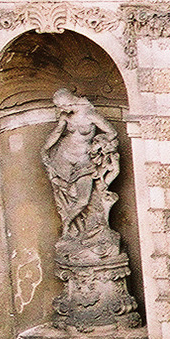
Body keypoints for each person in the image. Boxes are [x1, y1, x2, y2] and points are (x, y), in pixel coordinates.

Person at [42, 90, 122, 248]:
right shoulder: (66, 116)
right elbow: (57, 132)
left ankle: (67, 225)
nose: (61, 110)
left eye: (62, 106)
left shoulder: (91, 115)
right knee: (67, 197)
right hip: (63, 158)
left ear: (70, 102)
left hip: (84, 161)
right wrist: (44, 149)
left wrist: (100, 144)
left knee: (83, 200)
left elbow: (111, 132)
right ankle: (75, 231)